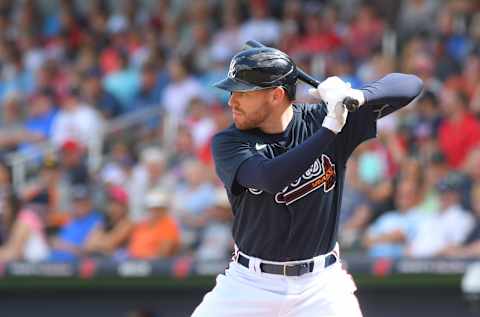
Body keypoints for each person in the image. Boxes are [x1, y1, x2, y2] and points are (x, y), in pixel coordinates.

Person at [192, 45, 423, 317]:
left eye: (243, 93)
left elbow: (410, 85)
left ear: (276, 95)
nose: (232, 102)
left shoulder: (319, 118)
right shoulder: (229, 141)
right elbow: (271, 177)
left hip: (321, 286)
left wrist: (356, 96)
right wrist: (330, 130)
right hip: (249, 283)